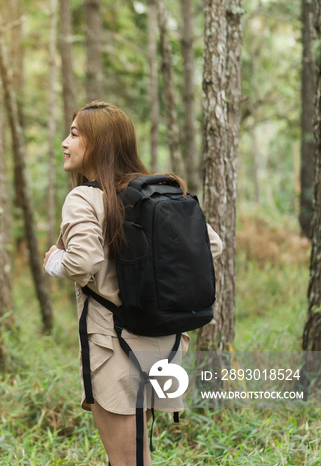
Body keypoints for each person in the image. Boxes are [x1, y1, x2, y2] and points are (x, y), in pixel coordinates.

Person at [43, 101, 222, 466]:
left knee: (128, 461)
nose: (65, 142)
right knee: (136, 456)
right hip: (162, 343)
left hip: (114, 346)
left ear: (99, 143)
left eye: (75, 134)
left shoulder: (85, 197)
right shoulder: (158, 194)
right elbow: (213, 245)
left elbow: (83, 261)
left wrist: (54, 261)